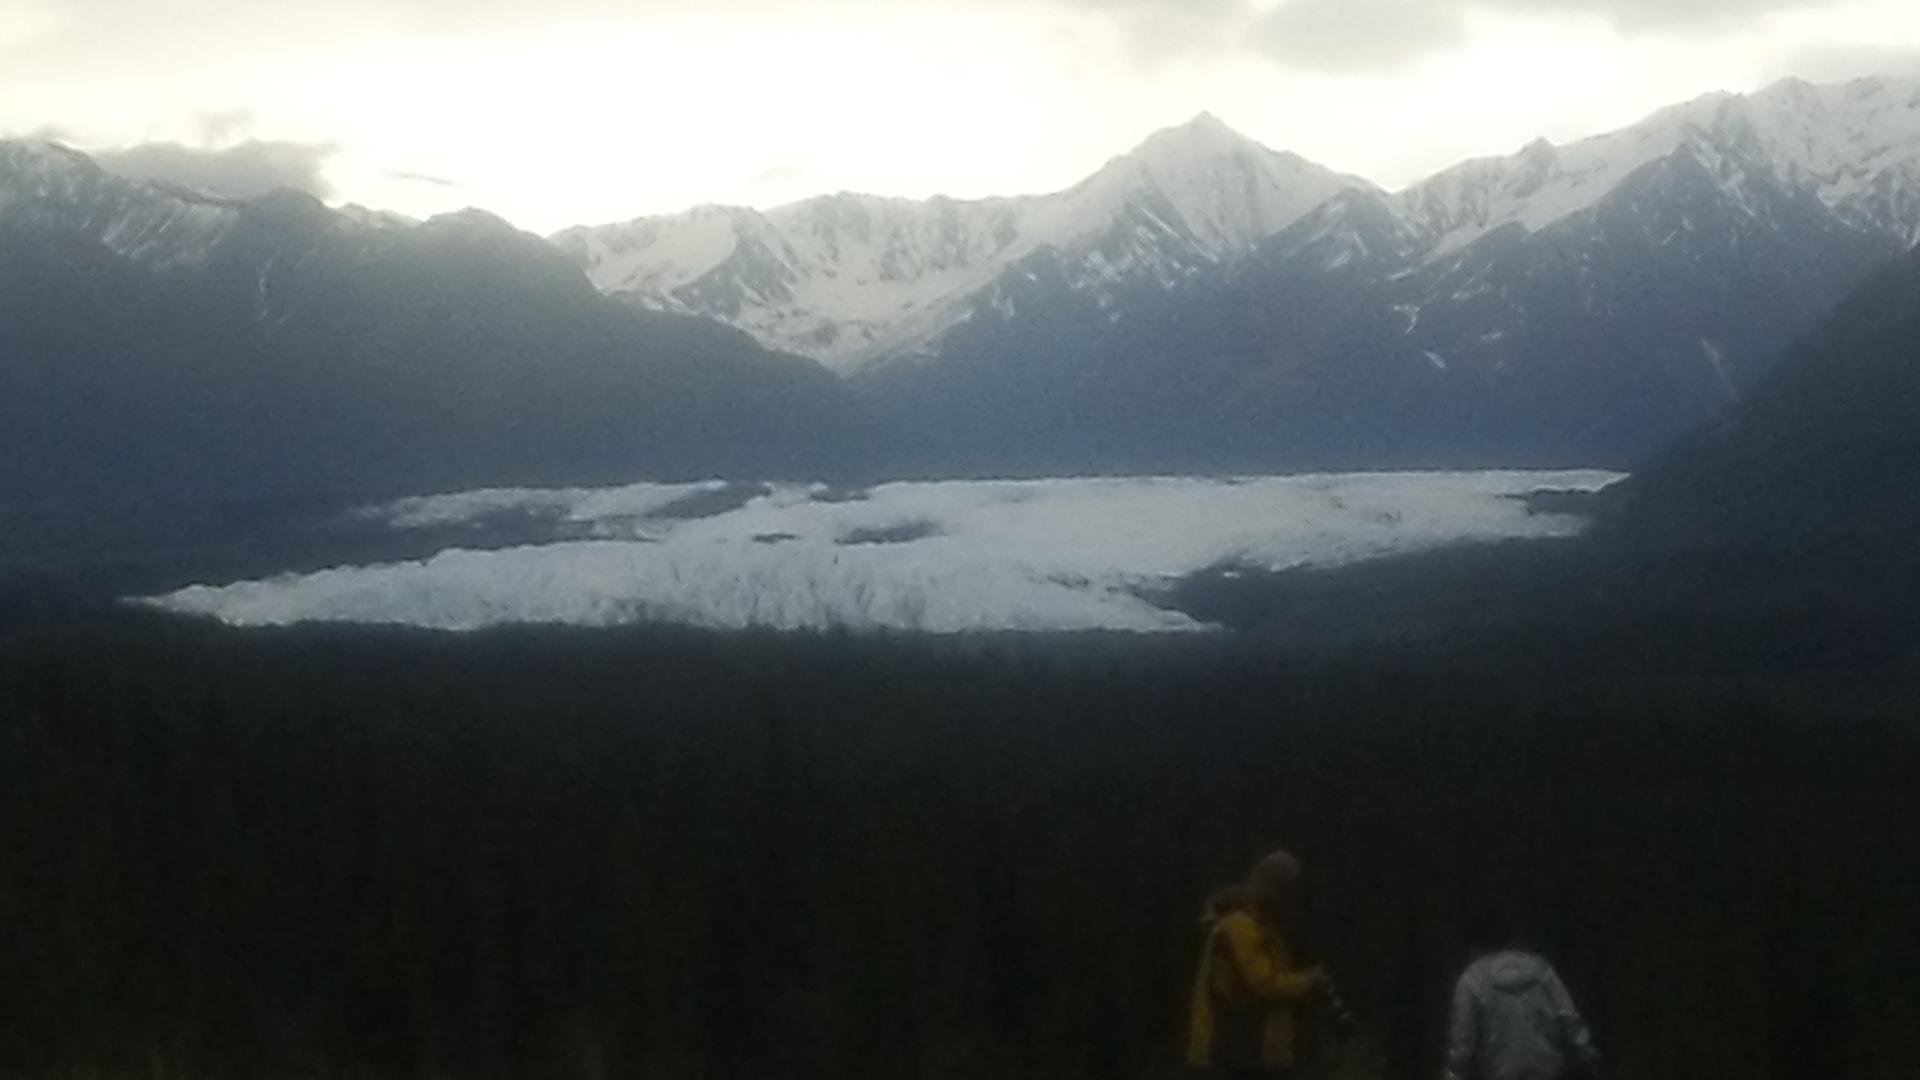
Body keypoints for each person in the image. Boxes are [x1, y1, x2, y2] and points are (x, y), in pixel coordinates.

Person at [1187, 850, 1328, 1076]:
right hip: (1231, 1053)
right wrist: (1308, 981)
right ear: (1277, 889)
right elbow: (1262, 985)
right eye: (1289, 891)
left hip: (1252, 1052)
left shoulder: (1262, 928)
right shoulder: (1239, 927)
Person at [1443, 905, 1601, 1080]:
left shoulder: (1471, 980)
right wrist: (1587, 1054)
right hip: (1550, 1073)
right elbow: (1569, 1017)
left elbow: (1463, 1040)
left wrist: (1454, 1073)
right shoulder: (1541, 971)